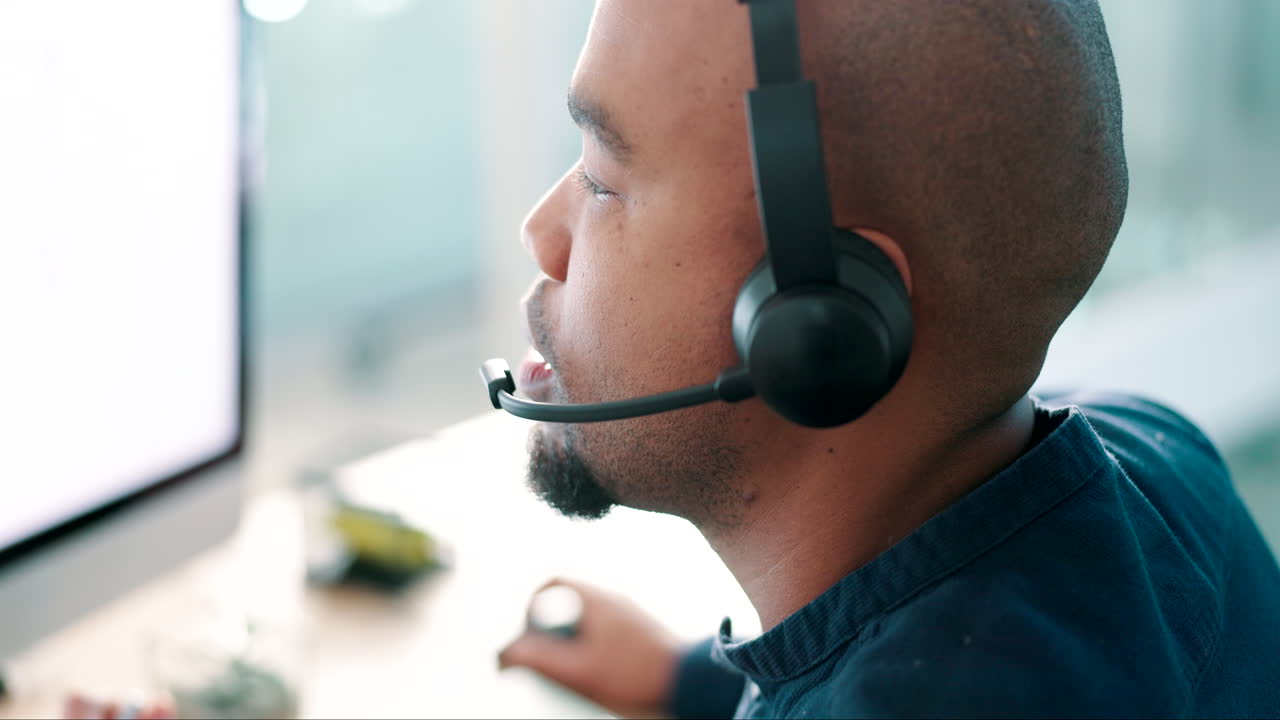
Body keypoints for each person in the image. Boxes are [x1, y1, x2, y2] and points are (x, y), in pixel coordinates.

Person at [494, 0, 1280, 717]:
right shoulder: (1156, 457)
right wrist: (689, 679)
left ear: (820, 314)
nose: (541, 231)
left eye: (601, 178)